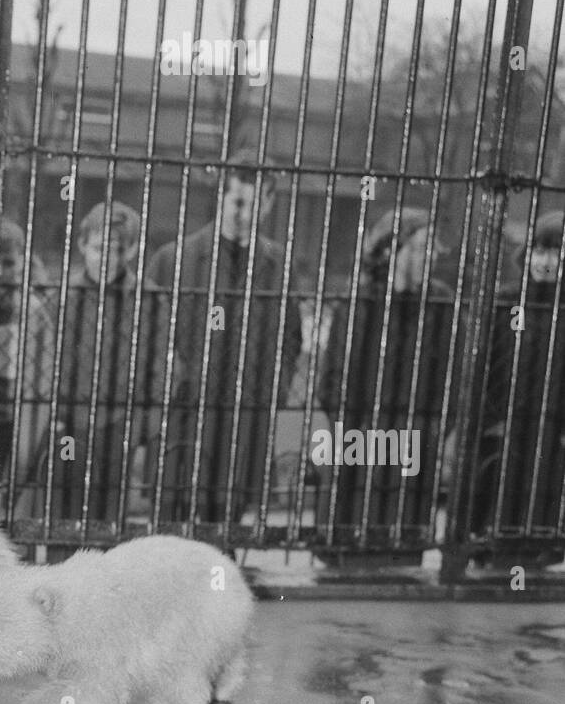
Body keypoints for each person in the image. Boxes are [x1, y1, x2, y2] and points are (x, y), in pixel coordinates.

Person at [145, 156, 302, 526]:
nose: (245, 213)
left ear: (269, 204)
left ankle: (220, 573)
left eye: (255, 203)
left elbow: (290, 337)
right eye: (238, 202)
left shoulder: (279, 265)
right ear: (222, 197)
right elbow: (148, 334)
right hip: (185, 406)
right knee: (172, 510)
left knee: (229, 512)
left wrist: (273, 389)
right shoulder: (174, 259)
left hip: (245, 408)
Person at [315, 206, 453, 565]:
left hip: (414, 436)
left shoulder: (440, 303)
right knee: (356, 539)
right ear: (392, 250)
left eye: (432, 249)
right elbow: (333, 377)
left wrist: (433, 428)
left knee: (402, 548)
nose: (431, 258)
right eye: (422, 248)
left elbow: (453, 378)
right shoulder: (359, 302)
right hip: (364, 436)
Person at [28, 199, 151, 525]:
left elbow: (156, 360)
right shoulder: (64, 297)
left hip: (119, 418)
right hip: (69, 418)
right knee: (64, 498)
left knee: (109, 506)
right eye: (99, 248)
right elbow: (44, 360)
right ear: (83, 245)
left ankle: (104, 566)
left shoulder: (147, 299)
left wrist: (145, 420)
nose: (107, 258)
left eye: (117, 249)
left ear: (133, 250)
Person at [468, 210, 565, 567]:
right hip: (505, 420)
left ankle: (536, 551)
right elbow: (485, 362)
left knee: (544, 490)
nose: (545, 260)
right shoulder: (507, 300)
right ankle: (489, 547)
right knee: (497, 485)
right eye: (539, 250)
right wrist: (490, 415)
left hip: (553, 421)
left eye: (555, 252)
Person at [0, 220, 55, 516]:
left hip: (16, 409)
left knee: (15, 475)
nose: (2, 272)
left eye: (9, 263)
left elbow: (42, 372)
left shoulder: (33, 311)